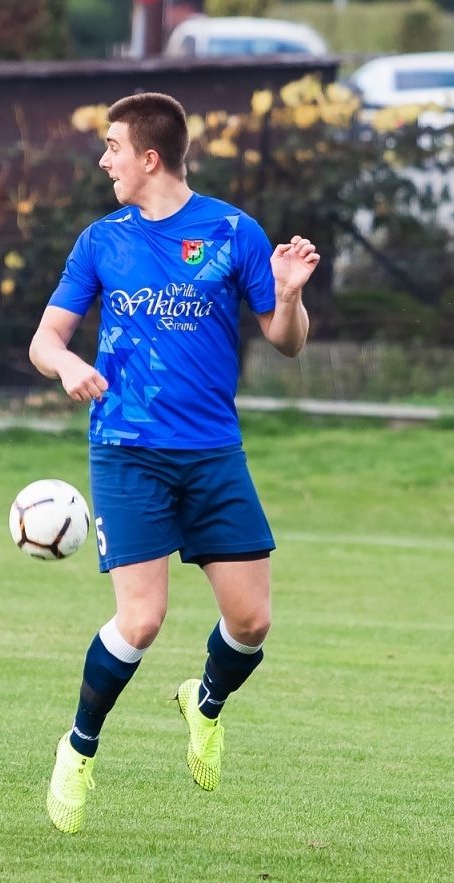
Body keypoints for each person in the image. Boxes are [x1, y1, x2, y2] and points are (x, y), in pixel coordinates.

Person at [29, 92, 320, 834]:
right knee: (143, 619)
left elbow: (286, 340)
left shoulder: (234, 231)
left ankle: (206, 703)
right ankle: (79, 748)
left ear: (149, 158)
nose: (104, 161)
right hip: (128, 451)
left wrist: (287, 296)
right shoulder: (102, 240)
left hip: (213, 451)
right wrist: (65, 366)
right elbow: (46, 339)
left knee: (251, 621)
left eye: (114, 148)